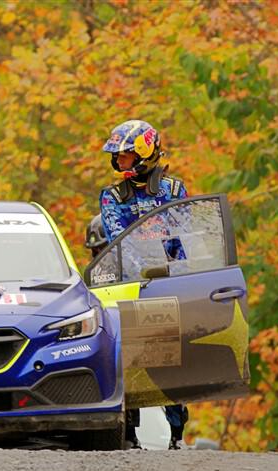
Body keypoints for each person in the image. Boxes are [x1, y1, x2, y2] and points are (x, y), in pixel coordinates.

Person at [97, 119, 189, 450]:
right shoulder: (111, 196)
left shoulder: (174, 190)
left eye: (124, 155)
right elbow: (119, 240)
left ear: (143, 153)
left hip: (170, 285)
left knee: (171, 365)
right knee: (132, 361)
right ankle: (130, 435)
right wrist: (144, 273)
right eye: (117, 156)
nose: (118, 161)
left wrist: (174, 272)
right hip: (131, 287)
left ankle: (177, 434)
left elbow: (182, 236)